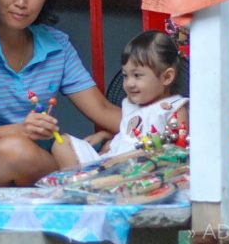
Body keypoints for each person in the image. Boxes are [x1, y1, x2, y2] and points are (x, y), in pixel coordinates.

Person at [0, 0, 121, 187]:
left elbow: (103, 110)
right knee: (13, 151)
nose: (22, 2)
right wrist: (17, 130)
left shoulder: (56, 45)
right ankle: (87, 177)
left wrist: (140, 131)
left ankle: (82, 175)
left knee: (110, 145)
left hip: (46, 155)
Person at [51, 30, 189, 169]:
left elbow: (176, 152)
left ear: (166, 77)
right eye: (125, 75)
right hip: (109, 161)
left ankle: (88, 183)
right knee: (62, 143)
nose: (129, 83)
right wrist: (108, 135)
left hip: (142, 168)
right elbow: (130, 131)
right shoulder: (131, 104)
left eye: (137, 75)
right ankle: (82, 183)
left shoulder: (174, 109)